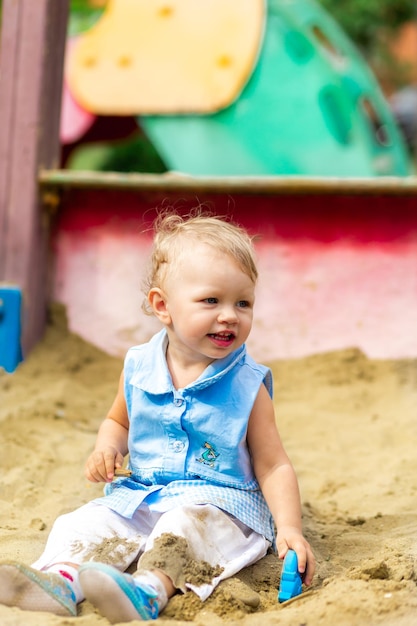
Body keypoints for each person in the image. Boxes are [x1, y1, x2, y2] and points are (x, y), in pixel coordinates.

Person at [0, 210, 315, 623]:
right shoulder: (138, 367)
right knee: (88, 521)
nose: (230, 315)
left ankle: (148, 590)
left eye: (243, 302)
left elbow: (272, 463)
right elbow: (119, 421)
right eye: (210, 301)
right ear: (162, 306)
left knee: (187, 528)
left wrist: (289, 527)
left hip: (218, 502)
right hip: (143, 493)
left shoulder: (248, 386)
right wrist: (107, 448)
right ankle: (61, 579)